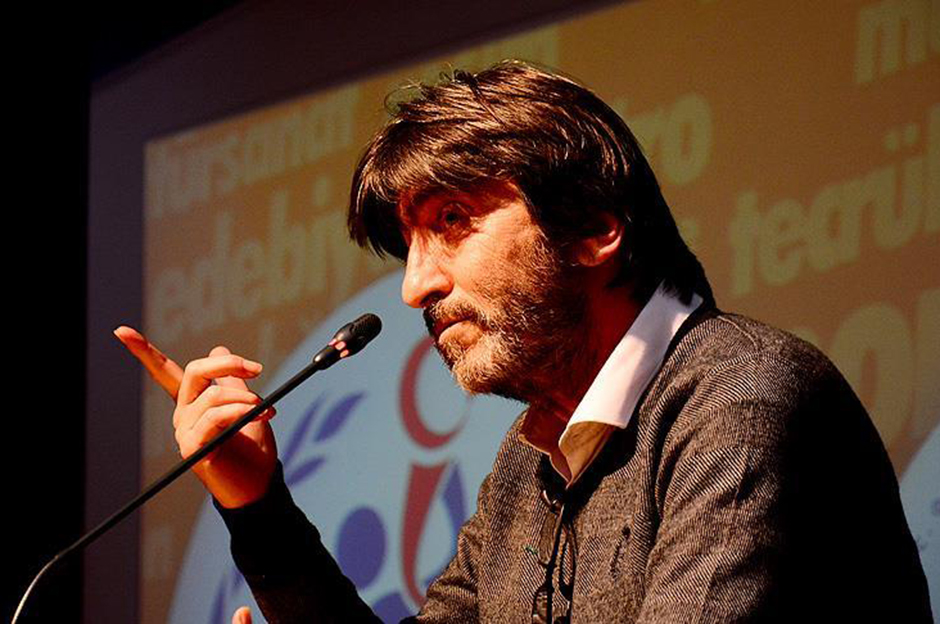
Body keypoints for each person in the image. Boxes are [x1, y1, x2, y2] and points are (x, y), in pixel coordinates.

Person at [118, 61, 932, 623]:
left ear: (595, 228)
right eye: (408, 248)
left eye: (453, 221)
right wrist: (255, 502)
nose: (415, 286)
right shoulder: (528, 461)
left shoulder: (742, 403)